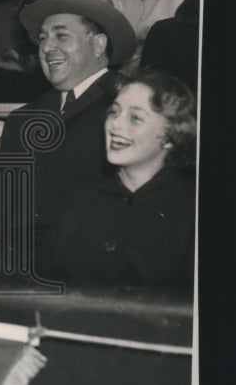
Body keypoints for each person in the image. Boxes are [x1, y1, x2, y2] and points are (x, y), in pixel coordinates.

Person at [0, 0, 137, 270]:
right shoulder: (24, 116)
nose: (46, 47)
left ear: (98, 44)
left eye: (61, 36)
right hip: (13, 273)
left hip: (91, 280)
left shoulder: (128, 109)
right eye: (42, 38)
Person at [42, 71, 196, 288]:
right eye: (114, 112)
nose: (115, 125)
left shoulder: (193, 212)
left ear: (171, 136)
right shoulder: (81, 204)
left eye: (135, 118)